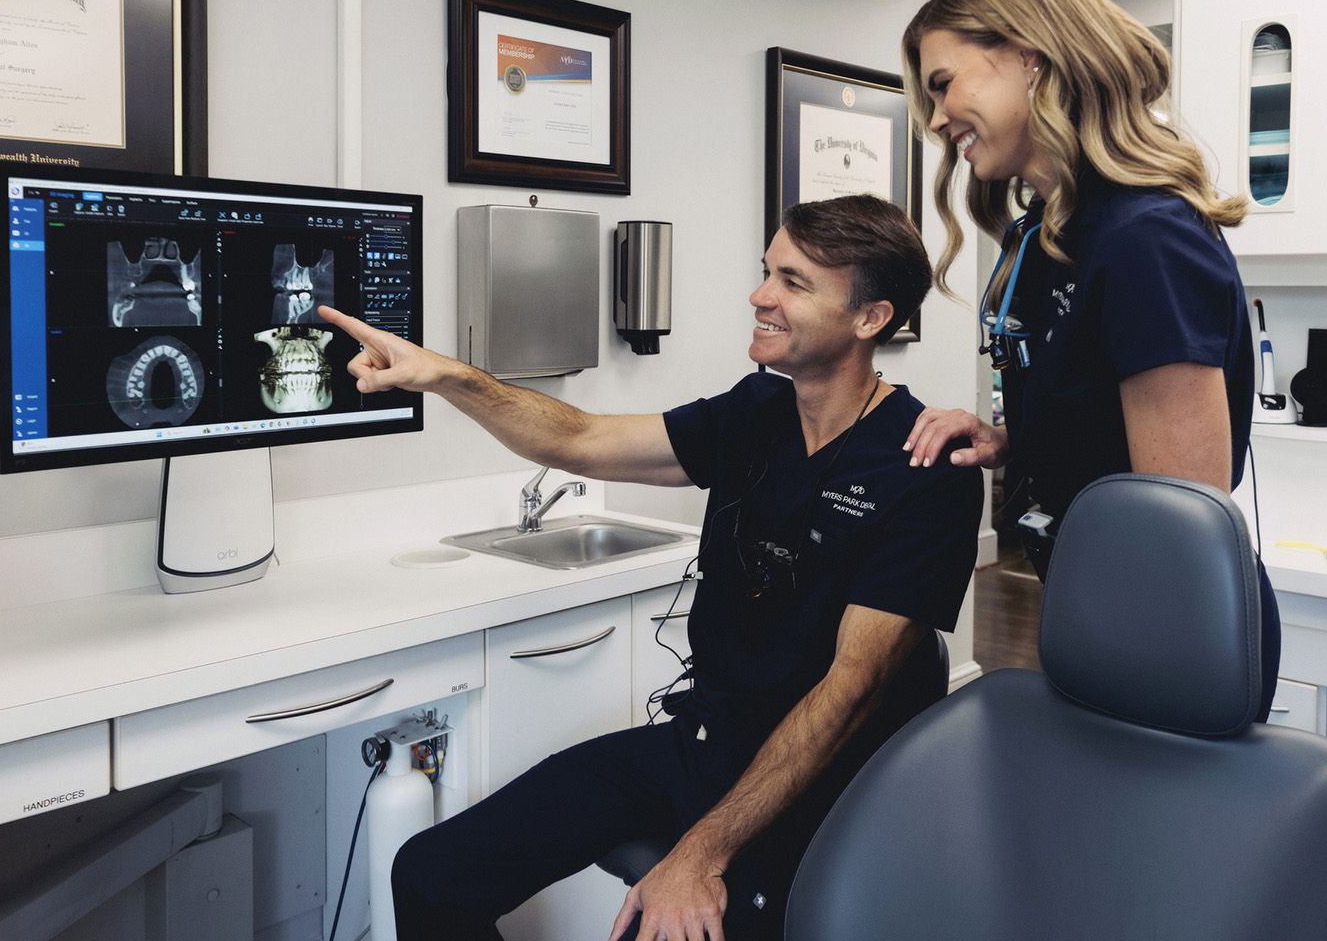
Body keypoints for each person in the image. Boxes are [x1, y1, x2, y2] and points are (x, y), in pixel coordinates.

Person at [318, 193, 980, 941]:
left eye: (793, 282)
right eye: (766, 272)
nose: (760, 296)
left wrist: (701, 852)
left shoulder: (927, 466)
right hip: (700, 746)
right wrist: (444, 376)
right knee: (432, 873)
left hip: (817, 787)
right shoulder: (754, 410)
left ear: (871, 317)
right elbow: (579, 438)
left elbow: (851, 691)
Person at [896, 0, 1280, 713]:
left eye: (944, 85)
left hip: (1165, 624)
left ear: (1029, 56)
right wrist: (1014, 439)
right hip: (1091, 594)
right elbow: (1100, 416)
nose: (938, 121)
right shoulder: (1052, 231)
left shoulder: (1147, 236)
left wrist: (1120, 650)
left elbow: (1179, 524)